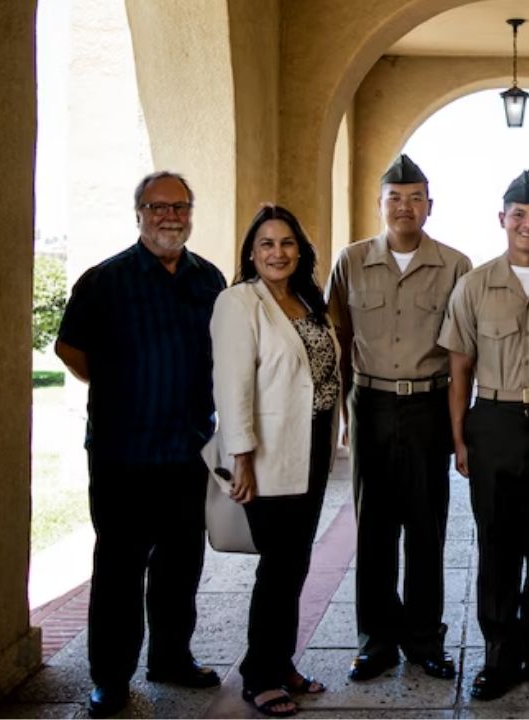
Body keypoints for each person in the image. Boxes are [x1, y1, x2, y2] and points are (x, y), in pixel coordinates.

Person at [55, 171, 226, 718]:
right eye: (158, 207)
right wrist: (123, 386)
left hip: (187, 449)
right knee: (119, 569)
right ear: (139, 213)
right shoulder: (105, 280)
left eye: (179, 207)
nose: (169, 216)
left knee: (181, 564)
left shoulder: (209, 281)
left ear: (190, 213)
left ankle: (171, 657)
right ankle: (109, 676)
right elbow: (71, 350)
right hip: (121, 452)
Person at [438, 171, 529, 700]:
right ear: (501, 220)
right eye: (519, 215)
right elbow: (459, 369)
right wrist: (459, 438)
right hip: (495, 420)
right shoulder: (474, 286)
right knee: (498, 545)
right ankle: (499, 657)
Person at [325, 154, 472, 681]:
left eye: (414, 198)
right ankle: (376, 639)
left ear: (429, 206)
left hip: (429, 404)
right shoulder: (351, 260)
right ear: (380, 203)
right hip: (371, 403)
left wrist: (460, 431)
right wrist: (342, 411)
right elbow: (337, 338)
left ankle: (425, 638)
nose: (404, 207)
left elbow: (463, 354)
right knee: (375, 527)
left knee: (427, 525)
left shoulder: (456, 266)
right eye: (394, 197)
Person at [210, 205, 341, 716]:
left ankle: (281, 661)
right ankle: (258, 674)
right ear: (251, 252)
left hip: (308, 446)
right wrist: (239, 457)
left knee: (296, 561)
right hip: (265, 453)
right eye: (266, 243)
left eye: (287, 243)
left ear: (300, 251)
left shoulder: (307, 299)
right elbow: (232, 384)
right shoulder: (239, 302)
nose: (277, 252)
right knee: (278, 565)